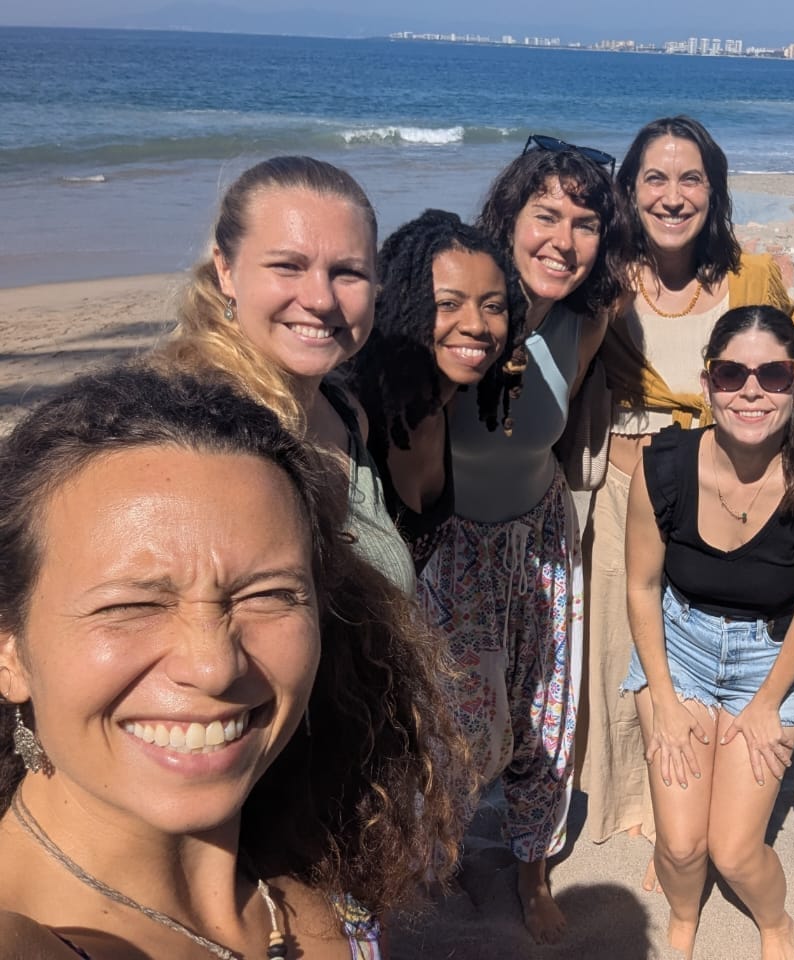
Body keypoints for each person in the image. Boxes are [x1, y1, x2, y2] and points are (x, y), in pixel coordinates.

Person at [0, 365, 468, 958]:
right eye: (131, 605)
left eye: (268, 595)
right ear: (10, 650)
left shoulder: (322, 844)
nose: (215, 666)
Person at [421, 137, 627, 944]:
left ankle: (532, 868)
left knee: (547, 714)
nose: (563, 241)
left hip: (540, 536)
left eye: (585, 223)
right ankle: (438, 848)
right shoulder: (454, 314)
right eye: (547, 215)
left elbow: (552, 426)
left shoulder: (588, 319)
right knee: (458, 724)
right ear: (509, 219)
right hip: (453, 547)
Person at [579, 115, 794, 869]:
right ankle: (643, 810)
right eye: (655, 179)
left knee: (704, 648)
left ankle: (694, 811)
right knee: (625, 649)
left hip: (721, 493)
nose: (673, 196)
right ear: (629, 190)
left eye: (691, 178)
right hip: (625, 490)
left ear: (715, 189)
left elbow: (779, 383)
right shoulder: (603, 279)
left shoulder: (752, 276)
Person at [622, 305, 794, 960]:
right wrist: (664, 699)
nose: (751, 391)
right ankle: (685, 916)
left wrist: (766, 703)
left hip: (769, 660)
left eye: (772, 375)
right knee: (680, 846)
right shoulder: (664, 465)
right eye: (732, 374)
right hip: (681, 649)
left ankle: (775, 923)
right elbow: (641, 586)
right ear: (708, 384)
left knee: (734, 851)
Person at [159, 155, 416, 596]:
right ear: (226, 270)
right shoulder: (195, 434)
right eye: (287, 266)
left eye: (348, 272)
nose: (320, 299)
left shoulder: (345, 414)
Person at [344, 209, 526, 572]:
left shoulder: (444, 404)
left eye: (493, 306)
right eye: (448, 304)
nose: (476, 325)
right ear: (402, 304)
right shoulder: (352, 417)